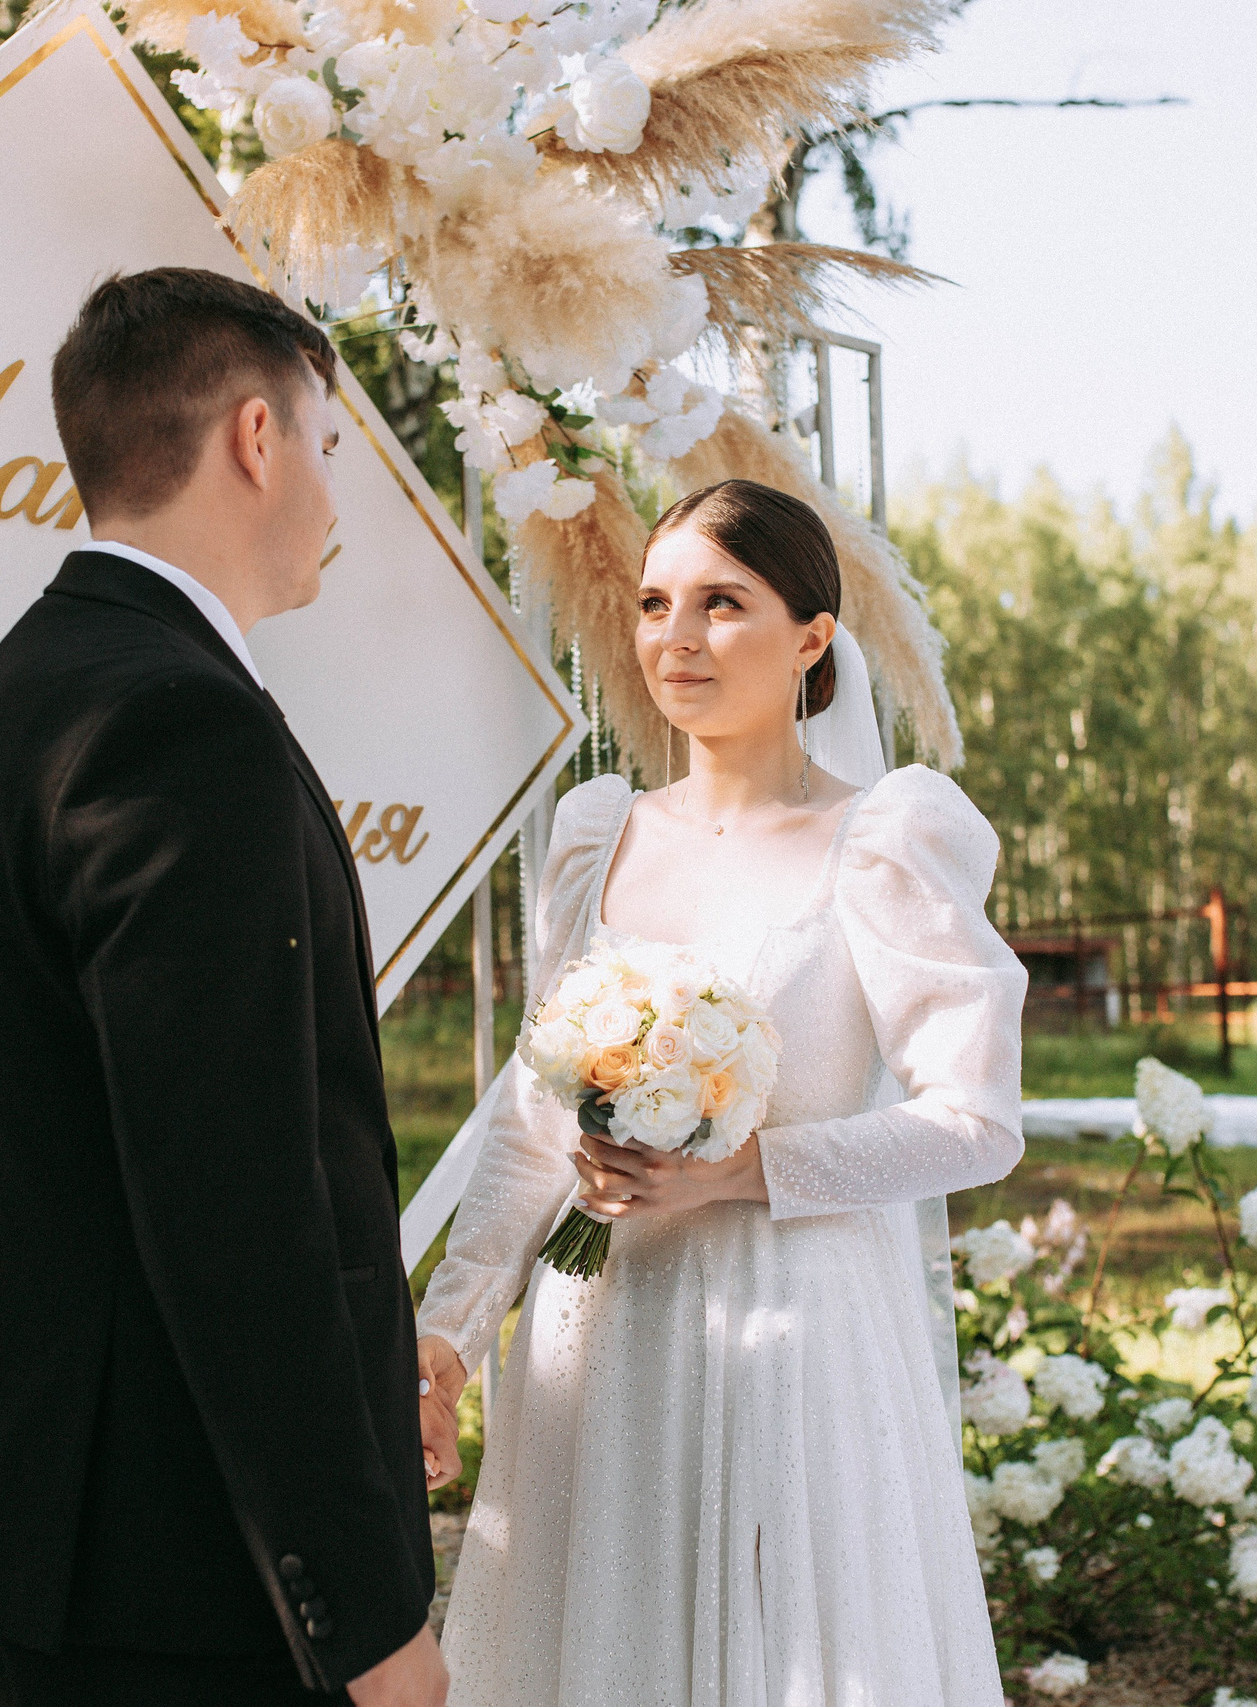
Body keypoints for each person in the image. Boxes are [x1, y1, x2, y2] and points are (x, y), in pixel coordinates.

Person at [0, 268, 447, 1707]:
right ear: (258, 439)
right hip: (196, 1574)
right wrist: (362, 1609)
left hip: (77, 1532)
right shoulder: (178, 723)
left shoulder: (28, 687)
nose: (336, 495)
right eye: (332, 449)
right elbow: (235, 1201)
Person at [414, 478, 1026, 1705]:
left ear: (812, 638)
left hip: (795, 1328)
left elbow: (975, 1120)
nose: (674, 638)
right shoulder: (598, 837)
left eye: (720, 604)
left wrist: (745, 1172)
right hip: (607, 1336)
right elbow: (535, 1130)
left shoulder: (886, 838)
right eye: (653, 603)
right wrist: (449, 1334)